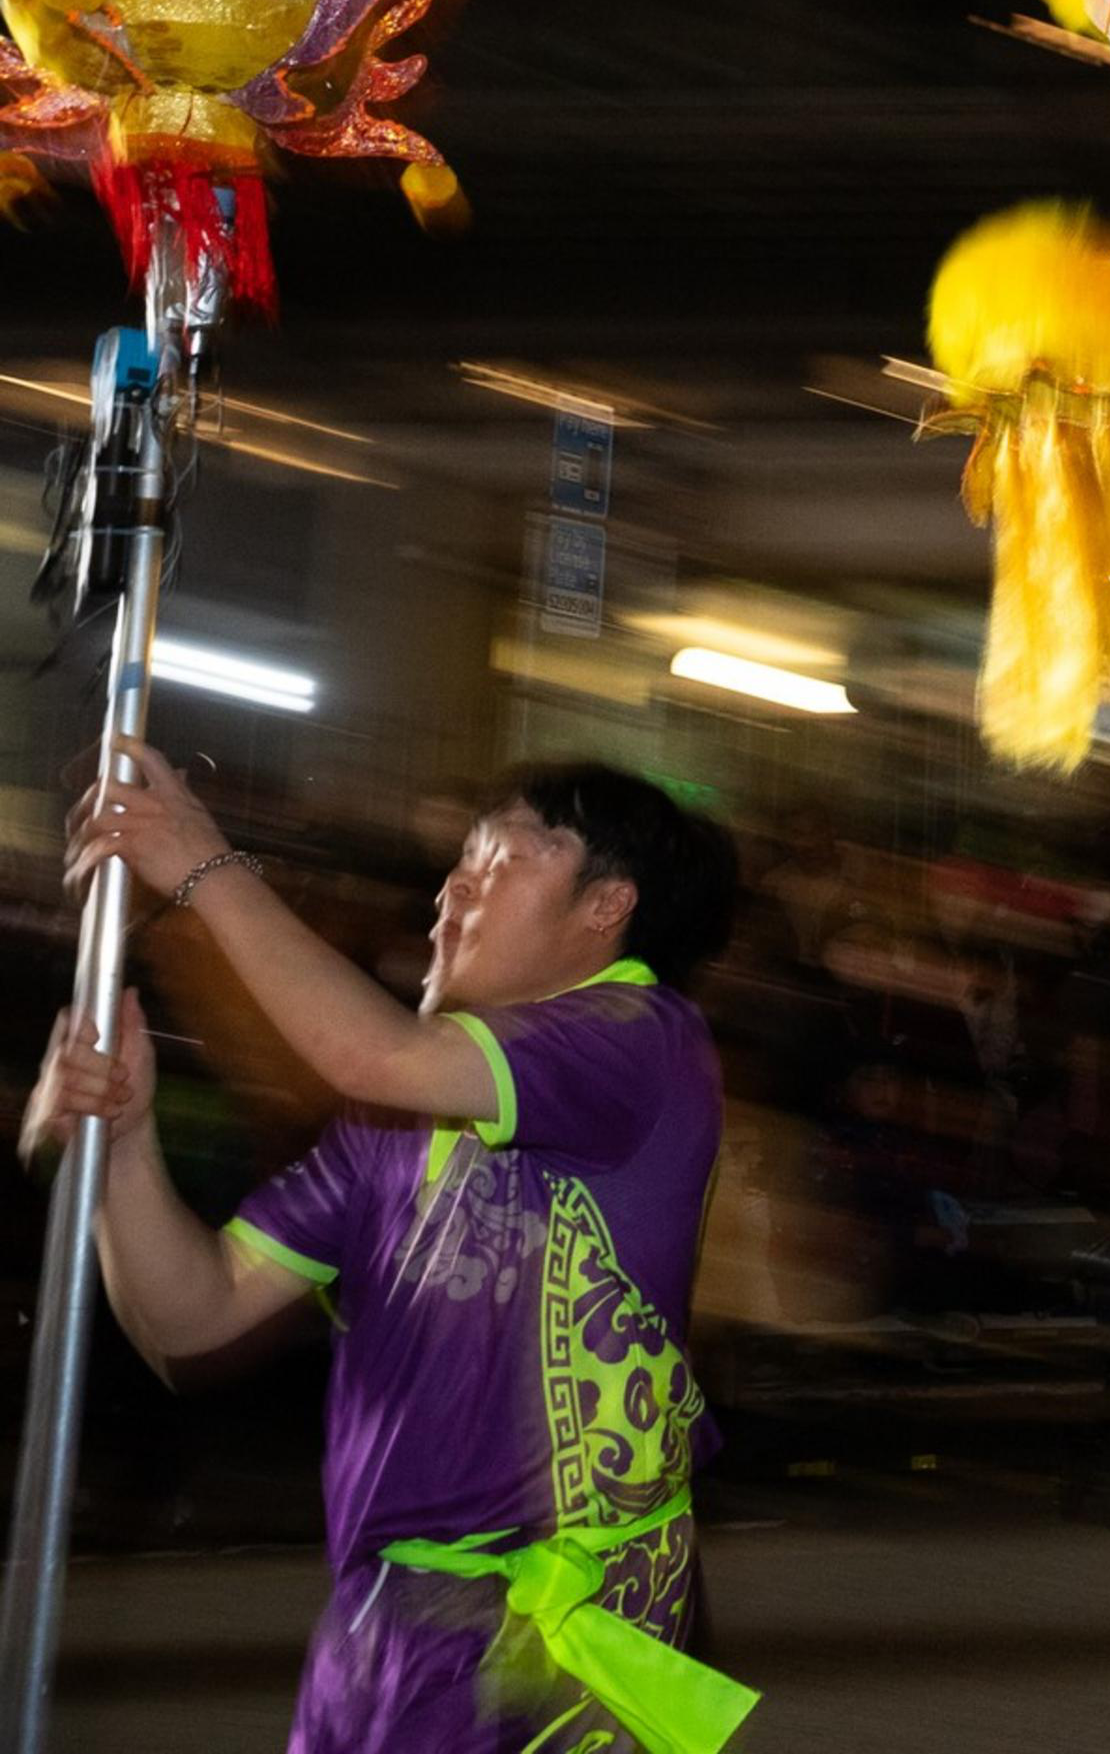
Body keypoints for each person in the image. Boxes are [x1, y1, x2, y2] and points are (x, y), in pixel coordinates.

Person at [28, 741, 750, 1754]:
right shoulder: (389, 1125)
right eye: (459, 858)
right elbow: (189, 1314)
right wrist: (123, 1143)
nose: (454, 885)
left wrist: (203, 863)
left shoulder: (641, 1038)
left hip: (554, 1660)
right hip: (378, 1644)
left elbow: (367, 1046)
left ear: (606, 907)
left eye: (502, 859)